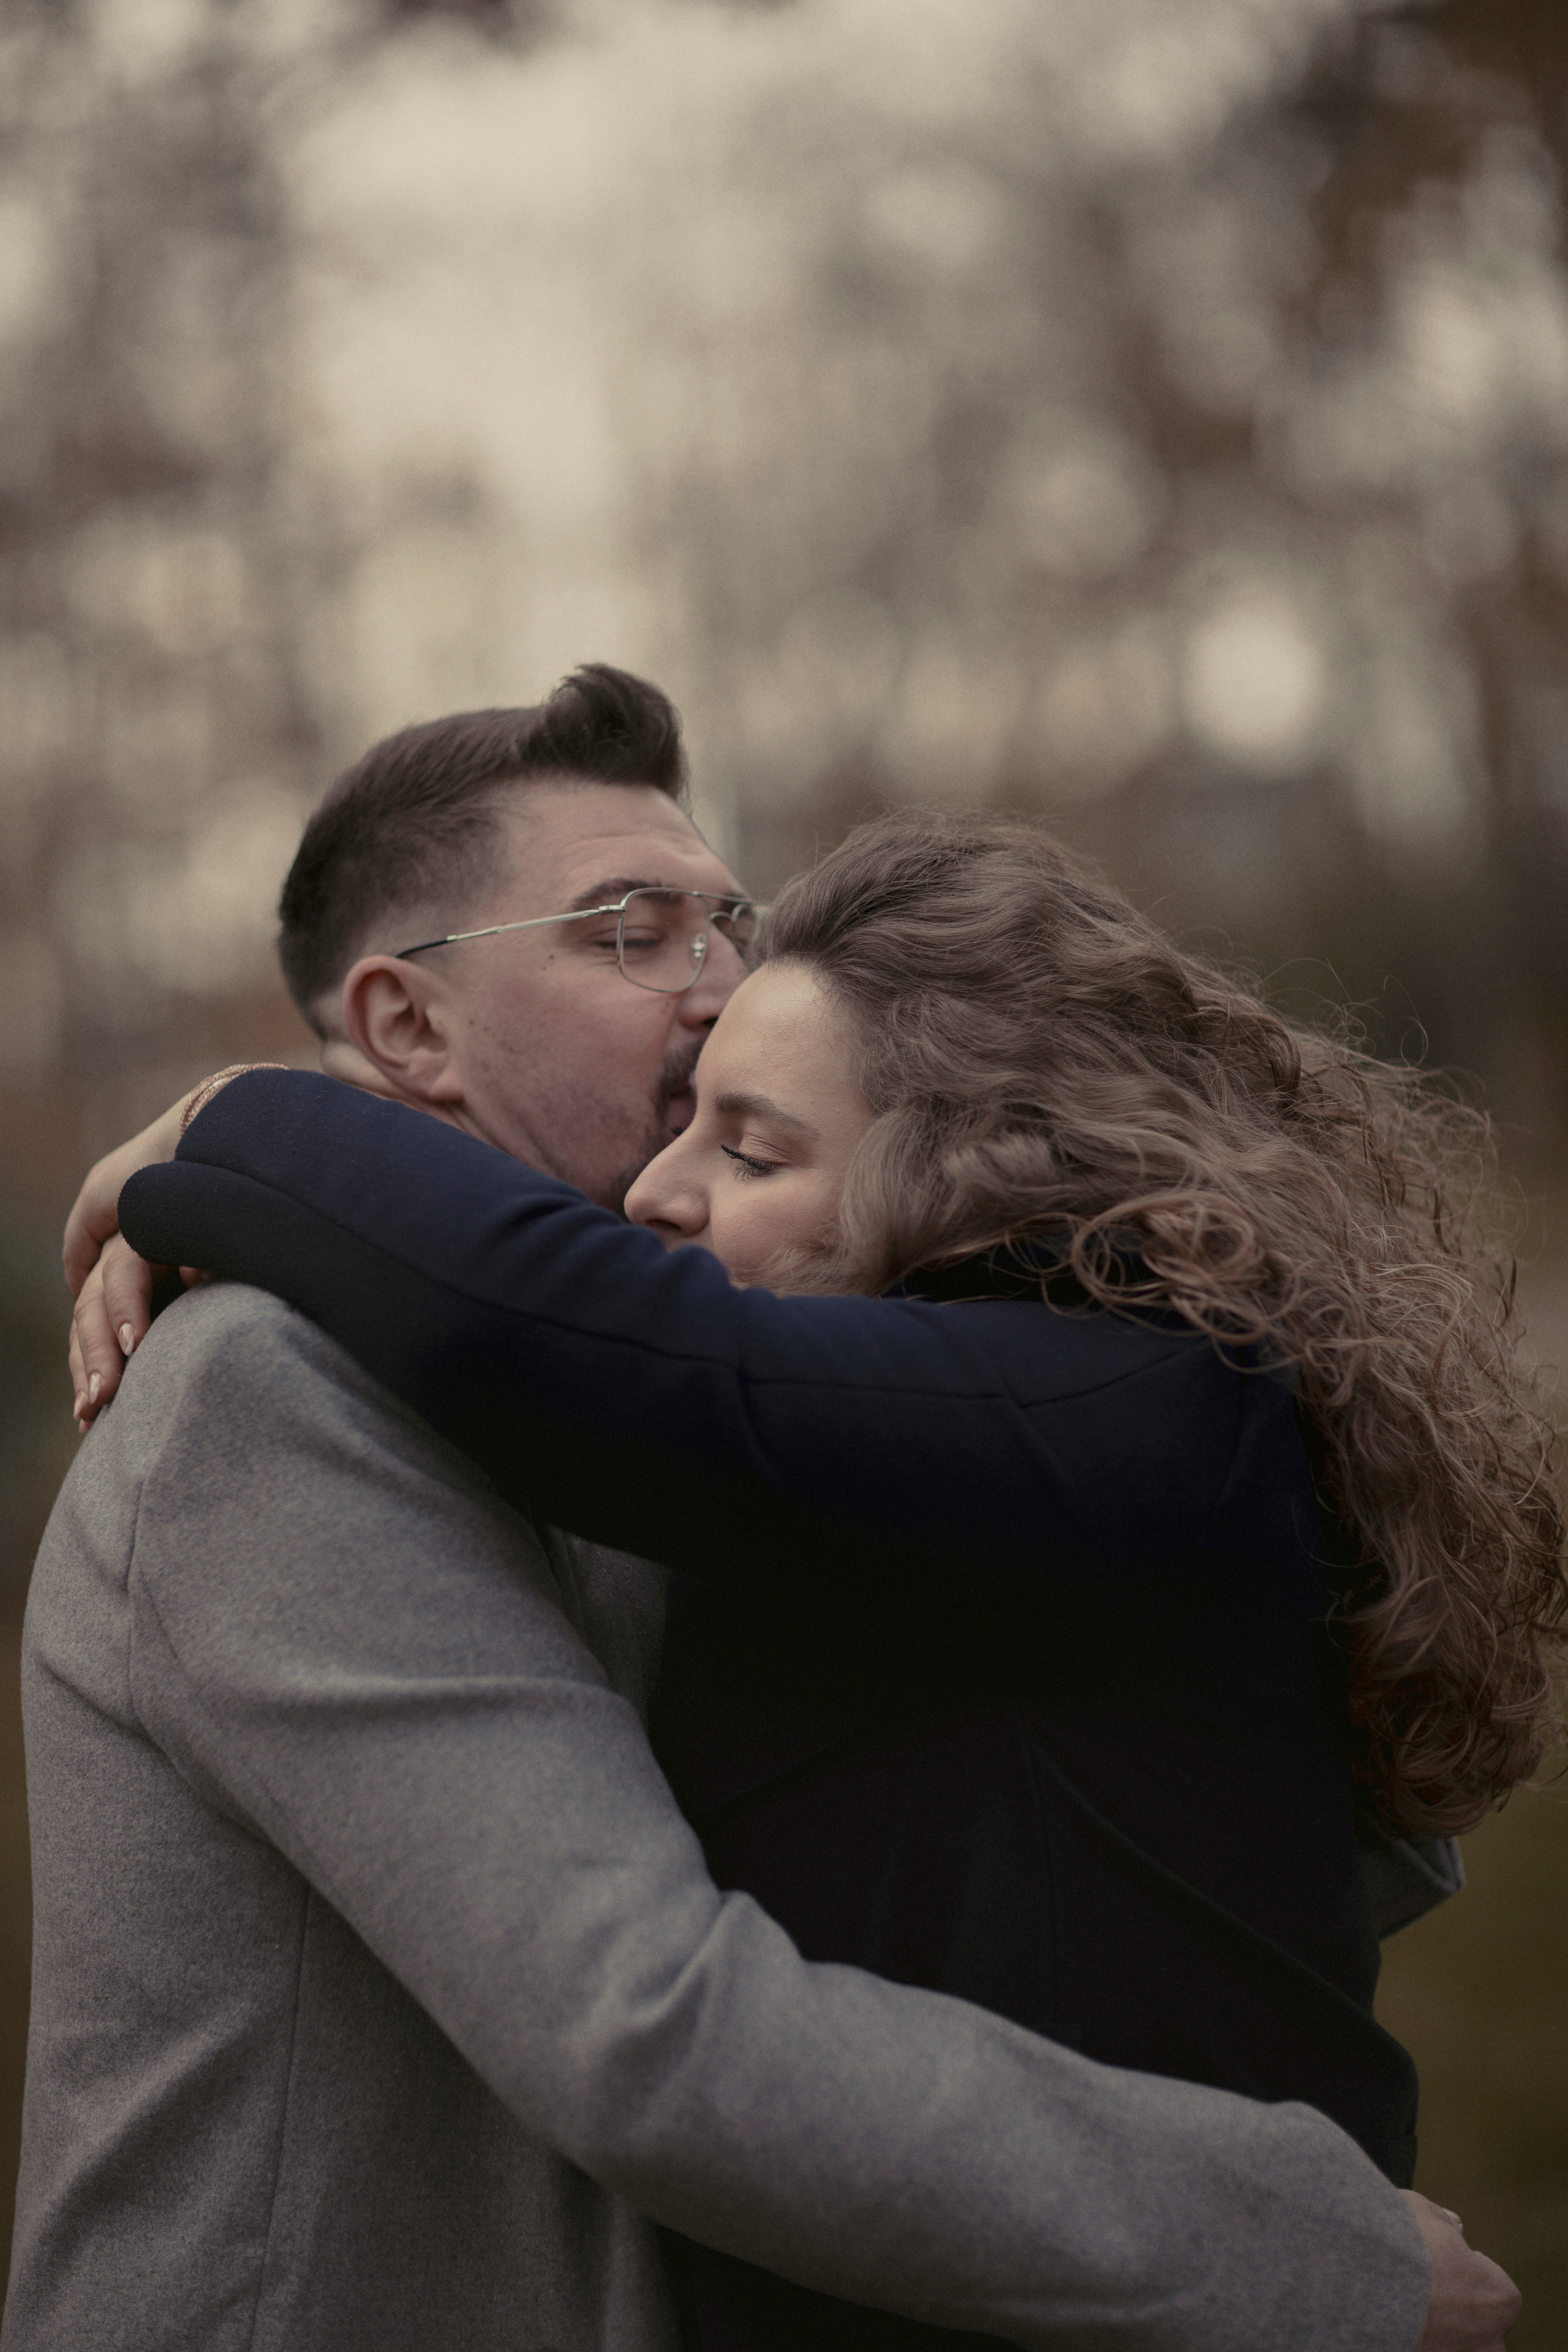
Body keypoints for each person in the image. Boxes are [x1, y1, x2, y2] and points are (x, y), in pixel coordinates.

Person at [40, 676, 1519, 2351]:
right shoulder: (276, 1396)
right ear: (404, 1032)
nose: (716, 981)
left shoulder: (706, 1397)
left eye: (724, 924)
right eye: (630, 933)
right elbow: (659, 2035)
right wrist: (1298, 2246)